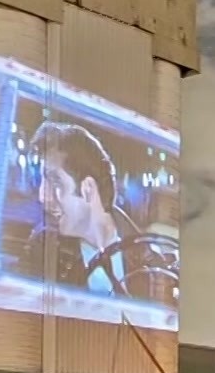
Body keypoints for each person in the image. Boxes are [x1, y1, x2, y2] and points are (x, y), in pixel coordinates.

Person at [27, 121, 179, 302]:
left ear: (88, 188)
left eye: (55, 181)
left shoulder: (152, 261)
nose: (43, 196)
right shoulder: (44, 252)